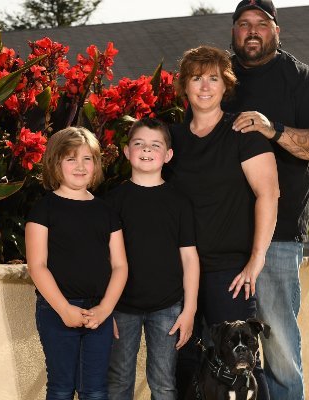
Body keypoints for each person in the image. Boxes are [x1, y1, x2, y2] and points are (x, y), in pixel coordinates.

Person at [224, 1, 309, 399]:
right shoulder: (217, 77)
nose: (252, 30)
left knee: (277, 348)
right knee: (216, 347)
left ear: (278, 31)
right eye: (244, 23)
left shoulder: (301, 80)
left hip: (277, 238)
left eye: (262, 23)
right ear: (234, 31)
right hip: (217, 236)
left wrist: (272, 129)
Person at [166, 45, 279, 400]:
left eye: (213, 78)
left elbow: (269, 193)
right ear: (184, 86)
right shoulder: (172, 140)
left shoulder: (243, 132)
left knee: (240, 368)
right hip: (179, 272)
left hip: (228, 274)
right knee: (182, 363)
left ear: (225, 85)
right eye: (196, 78)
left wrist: (256, 260)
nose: (204, 86)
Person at [25, 126, 128, 400]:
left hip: (98, 313)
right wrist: (64, 309)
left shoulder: (106, 211)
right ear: (56, 164)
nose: (80, 166)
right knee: (60, 387)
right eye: (71, 159)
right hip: (56, 310)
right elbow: (37, 266)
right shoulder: (43, 209)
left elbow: (120, 266)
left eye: (87, 158)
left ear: (96, 165)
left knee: (95, 390)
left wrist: (105, 309)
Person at [106, 118, 200, 400]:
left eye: (155, 145)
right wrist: (105, 307)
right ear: (126, 151)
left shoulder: (179, 202)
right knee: (119, 380)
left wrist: (190, 309)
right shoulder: (112, 202)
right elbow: (102, 259)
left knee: (163, 383)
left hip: (168, 307)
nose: (146, 150)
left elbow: (190, 258)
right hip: (121, 307)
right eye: (139, 144)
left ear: (168, 155)